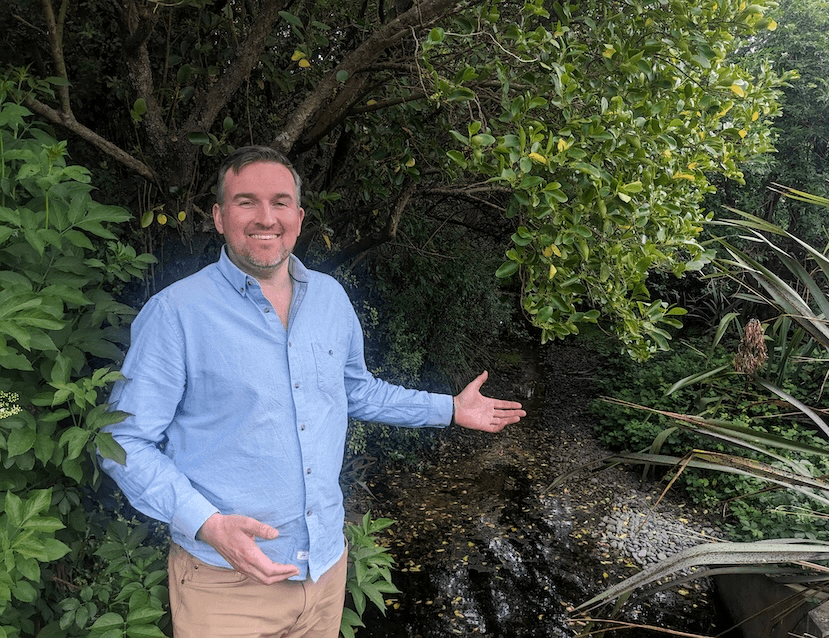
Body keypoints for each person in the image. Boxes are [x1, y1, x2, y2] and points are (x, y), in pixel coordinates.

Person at [100, 145, 525, 638]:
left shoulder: (329, 297)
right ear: (218, 217)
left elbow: (356, 391)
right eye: (245, 202)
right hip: (224, 585)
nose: (266, 217)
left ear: (298, 218)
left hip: (324, 571)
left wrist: (449, 408)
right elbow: (123, 443)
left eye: (280, 202)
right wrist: (209, 526)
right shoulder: (175, 313)